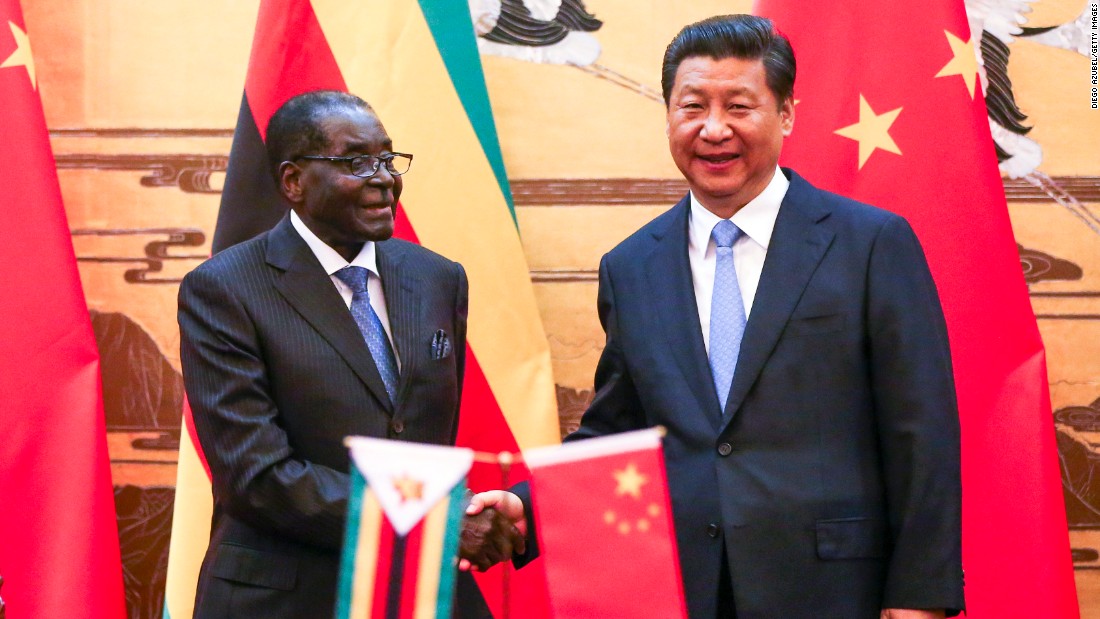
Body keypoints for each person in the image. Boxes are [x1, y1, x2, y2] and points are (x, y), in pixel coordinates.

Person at [469, 14, 964, 619]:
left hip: (834, 590)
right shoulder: (631, 266)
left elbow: (923, 431)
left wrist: (920, 598)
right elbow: (617, 433)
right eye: (692, 106)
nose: (713, 129)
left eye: (739, 106)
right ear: (669, 116)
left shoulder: (869, 243)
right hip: (686, 588)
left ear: (785, 114)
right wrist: (530, 508)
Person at [178, 90, 521, 619]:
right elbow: (257, 477)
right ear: (294, 181)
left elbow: (418, 437)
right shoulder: (224, 289)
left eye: (387, 158)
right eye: (356, 162)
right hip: (286, 597)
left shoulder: (437, 278)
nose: (384, 178)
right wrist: (437, 521)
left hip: (416, 592)